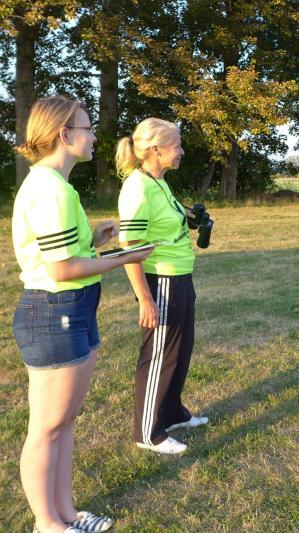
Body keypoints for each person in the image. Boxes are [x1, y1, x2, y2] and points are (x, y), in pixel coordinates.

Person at [12, 96, 152, 533]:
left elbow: (61, 252)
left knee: (64, 422)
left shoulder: (55, 185)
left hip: (72, 308)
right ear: (64, 134)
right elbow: (60, 269)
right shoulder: (50, 188)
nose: (94, 137)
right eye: (88, 129)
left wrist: (94, 237)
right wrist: (124, 257)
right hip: (54, 311)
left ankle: (67, 514)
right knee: (47, 427)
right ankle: (48, 524)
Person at [115, 118, 208, 455]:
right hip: (162, 279)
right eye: (176, 145)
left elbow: (169, 221)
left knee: (180, 350)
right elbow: (131, 248)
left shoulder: (159, 183)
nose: (181, 151)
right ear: (156, 149)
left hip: (180, 276)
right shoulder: (138, 187)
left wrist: (193, 218)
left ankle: (171, 413)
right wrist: (145, 299)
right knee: (159, 355)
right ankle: (147, 432)